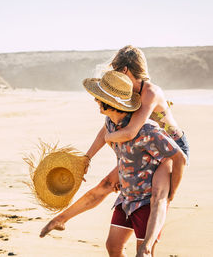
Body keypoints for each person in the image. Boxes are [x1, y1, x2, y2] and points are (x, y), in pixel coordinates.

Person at [41, 71, 186, 257]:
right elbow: (104, 134)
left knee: (143, 253)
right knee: (113, 247)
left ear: (110, 103)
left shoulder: (147, 131)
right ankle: (59, 220)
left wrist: (171, 193)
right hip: (127, 196)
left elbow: (179, 157)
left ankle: (147, 246)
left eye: (98, 97)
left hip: (146, 201)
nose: (95, 100)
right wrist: (87, 158)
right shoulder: (111, 123)